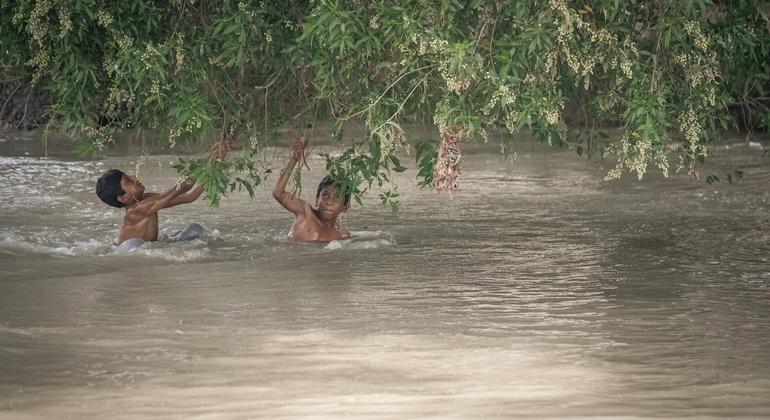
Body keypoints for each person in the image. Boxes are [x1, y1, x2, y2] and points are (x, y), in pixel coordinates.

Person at [95, 139, 230, 249]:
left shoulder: (146, 200)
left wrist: (215, 166)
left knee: (195, 229)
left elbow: (189, 196)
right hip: (127, 250)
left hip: (141, 246)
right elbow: (181, 187)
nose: (134, 178)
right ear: (123, 198)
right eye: (128, 180)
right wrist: (212, 158)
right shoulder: (136, 211)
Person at [273, 138, 351, 242]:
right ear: (317, 200)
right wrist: (294, 160)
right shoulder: (305, 212)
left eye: (337, 197)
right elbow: (278, 193)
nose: (329, 202)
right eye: (325, 195)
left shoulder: (342, 235)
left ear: (345, 207)